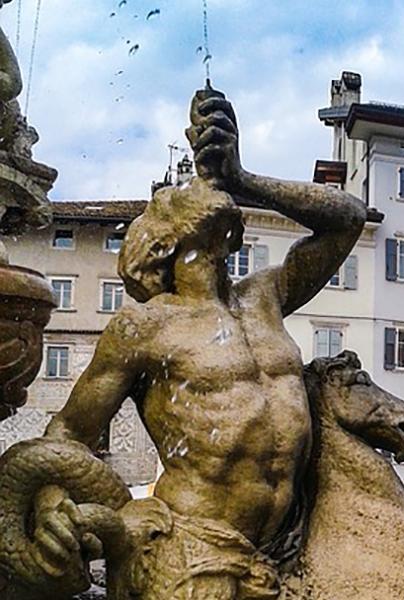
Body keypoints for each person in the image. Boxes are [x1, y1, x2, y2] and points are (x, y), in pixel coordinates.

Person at [30, 87, 367, 598]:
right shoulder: (146, 326)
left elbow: (348, 219)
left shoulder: (266, 296)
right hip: (192, 550)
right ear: (163, 239)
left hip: (288, 548)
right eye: (179, 193)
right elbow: (70, 431)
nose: (199, 184)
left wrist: (241, 178)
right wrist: (51, 502)